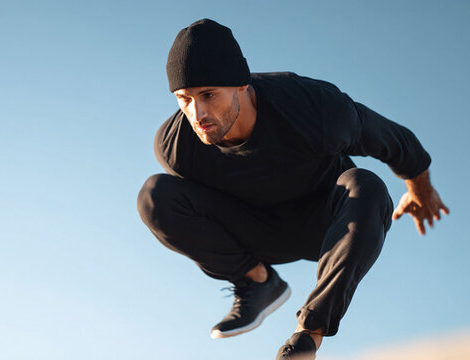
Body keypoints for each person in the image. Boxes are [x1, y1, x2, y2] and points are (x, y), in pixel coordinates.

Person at [136, 19, 449, 359]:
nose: (197, 113)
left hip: (328, 224)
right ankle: (256, 282)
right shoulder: (177, 146)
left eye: (209, 95)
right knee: (155, 195)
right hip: (256, 231)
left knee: (368, 186)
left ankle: (306, 339)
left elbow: (390, 139)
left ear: (241, 84)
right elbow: (187, 211)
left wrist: (421, 189)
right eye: (184, 98)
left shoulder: (313, 107)